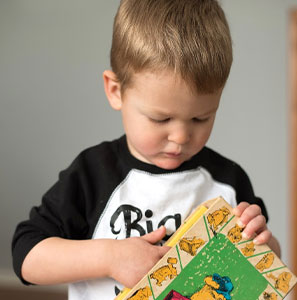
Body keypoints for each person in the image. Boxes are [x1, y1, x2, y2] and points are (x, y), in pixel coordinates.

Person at [12, 0, 281, 299]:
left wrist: (262, 243)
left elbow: (269, 266)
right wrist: (109, 257)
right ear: (116, 91)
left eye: (200, 118)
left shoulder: (227, 180)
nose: (180, 137)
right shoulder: (92, 173)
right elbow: (26, 255)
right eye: (160, 118)